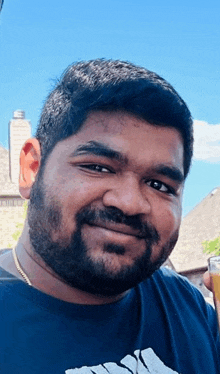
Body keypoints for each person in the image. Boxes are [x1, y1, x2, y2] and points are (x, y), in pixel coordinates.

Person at [0, 59, 219, 374]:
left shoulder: (186, 304)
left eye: (160, 185)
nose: (130, 203)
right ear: (32, 169)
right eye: (98, 167)